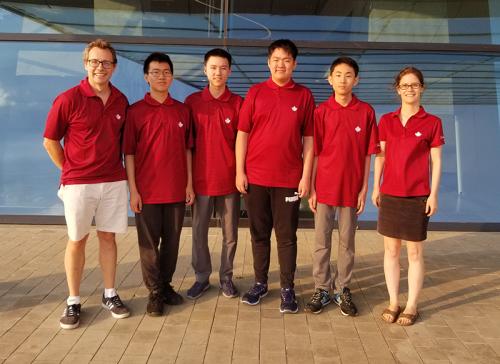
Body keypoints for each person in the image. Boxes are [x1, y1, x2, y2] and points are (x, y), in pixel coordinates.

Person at [43, 39, 130, 329]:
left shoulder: (120, 100)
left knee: (108, 237)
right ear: (85, 64)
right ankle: (73, 300)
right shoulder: (68, 99)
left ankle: (110, 293)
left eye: (106, 62)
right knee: (77, 239)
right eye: (94, 61)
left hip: (113, 181)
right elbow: (50, 141)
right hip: (78, 183)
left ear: (114, 67)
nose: (100, 67)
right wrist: (70, 169)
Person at [236, 39, 315, 314]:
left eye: (286, 59)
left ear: (294, 63)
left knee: (286, 236)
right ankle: (260, 283)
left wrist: (306, 177)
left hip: (288, 179)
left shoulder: (304, 95)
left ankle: (287, 289)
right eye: (276, 59)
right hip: (256, 177)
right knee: (258, 234)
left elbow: (309, 139)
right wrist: (239, 171)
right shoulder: (255, 92)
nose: (281, 64)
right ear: (268, 62)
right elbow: (242, 134)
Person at [305, 57, 380, 316]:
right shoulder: (321, 111)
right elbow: (314, 152)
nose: (343, 80)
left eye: (348, 75)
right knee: (321, 241)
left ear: (356, 80)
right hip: (324, 186)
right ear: (330, 79)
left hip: (351, 188)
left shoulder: (366, 111)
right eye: (338, 75)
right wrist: (312, 188)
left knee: (347, 241)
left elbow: (369, 153)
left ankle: (342, 289)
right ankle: (322, 288)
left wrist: (364, 189)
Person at [123, 52, 195, 316]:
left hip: (176, 189)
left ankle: (165, 285)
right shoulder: (135, 112)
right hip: (147, 191)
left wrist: (189, 184)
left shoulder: (182, 110)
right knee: (149, 245)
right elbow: (128, 152)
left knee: (172, 242)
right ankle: (154, 292)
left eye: (166, 72)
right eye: (155, 72)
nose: (161, 76)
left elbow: (188, 150)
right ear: (146, 77)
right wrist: (133, 190)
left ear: (172, 76)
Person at [372, 66, 444, 326]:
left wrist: (433, 195)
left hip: (417, 196)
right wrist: (376, 186)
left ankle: (412, 304)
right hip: (390, 194)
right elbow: (380, 156)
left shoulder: (432, 122)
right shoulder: (387, 121)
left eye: (414, 85)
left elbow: (436, 161)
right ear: (397, 89)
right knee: (391, 250)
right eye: (404, 85)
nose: (409, 89)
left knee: (414, 253)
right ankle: (393, 301)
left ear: (422, 88)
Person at [184, 49, 243, 299]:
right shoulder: (192, 103)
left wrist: (241, 174)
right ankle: (201, 277)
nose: (218, 72)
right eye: (213, 67)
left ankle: (226, 277)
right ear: (205, 69)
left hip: (229, 181)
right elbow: (187, 146)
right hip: (200, 181)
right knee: (199, 233)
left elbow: (244, 143)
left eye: (223, 67)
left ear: (229, 71)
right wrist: (188, 182)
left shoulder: (239, 103)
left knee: (230, 234)